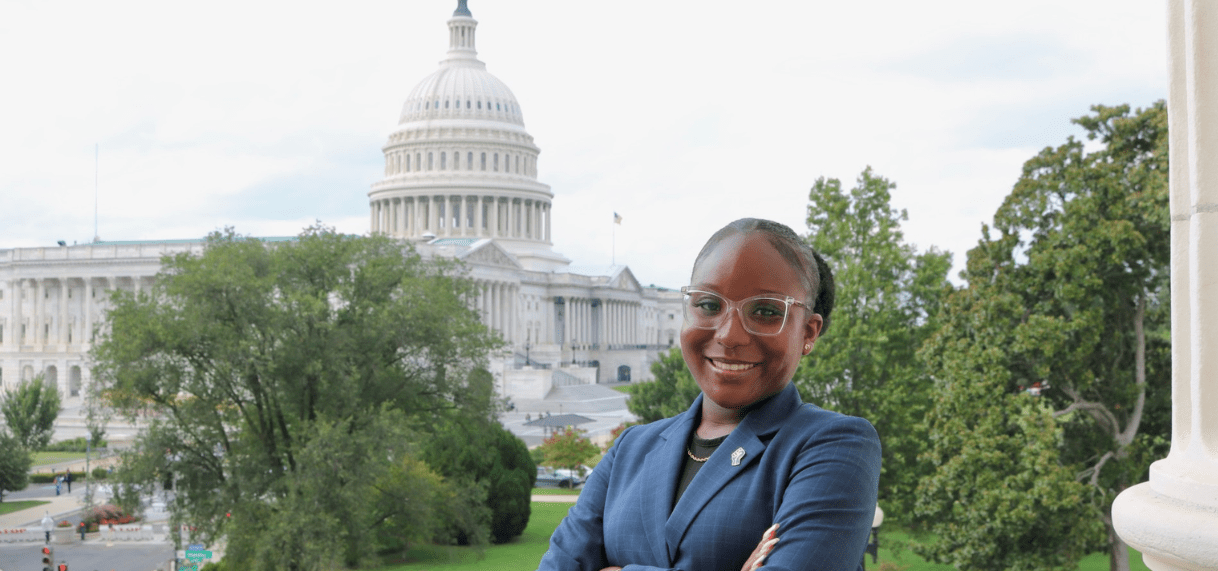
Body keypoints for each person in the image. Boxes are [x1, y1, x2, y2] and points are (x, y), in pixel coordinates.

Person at [537, 218, 881, 571]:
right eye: (709, 305)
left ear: (808, 332)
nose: (730, 335)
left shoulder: (834, 446)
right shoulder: (631, 449)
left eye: (765, 311)